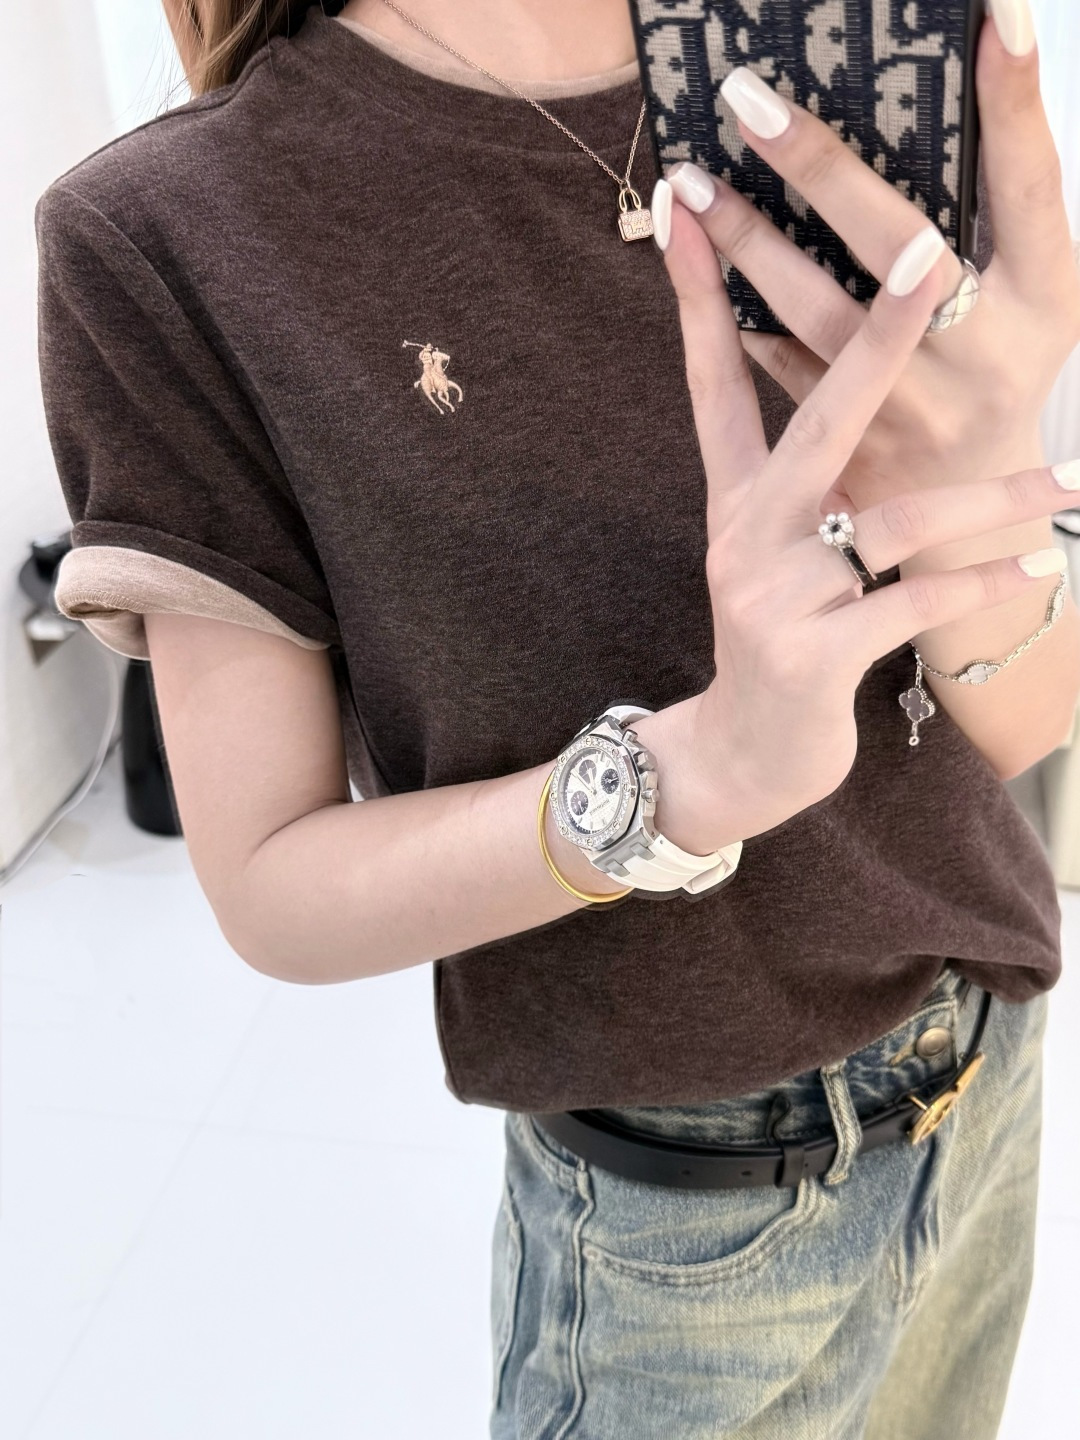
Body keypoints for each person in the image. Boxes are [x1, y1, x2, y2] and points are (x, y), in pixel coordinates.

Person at [33, 1, 1080, 1435]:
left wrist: (992, 464)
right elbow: (273, 882)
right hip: (676, 1217)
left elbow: (1018, 729)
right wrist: (687, 778)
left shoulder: (853, 60)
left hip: (984, 1070)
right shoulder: (174, 229)